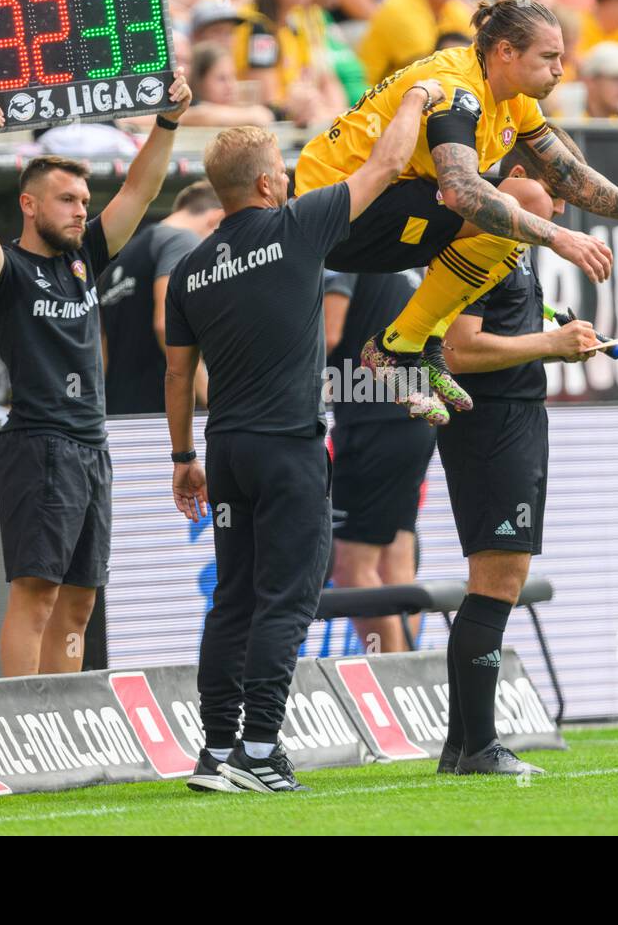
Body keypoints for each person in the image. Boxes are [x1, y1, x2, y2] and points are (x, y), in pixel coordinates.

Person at [164, 77, 445, 794]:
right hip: (288, 447)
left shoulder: (192, 269)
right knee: (286, 598)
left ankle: (216, 749)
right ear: (266, 183)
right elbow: (382, 167)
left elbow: (176, 378)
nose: (290, 179)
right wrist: (413, 101)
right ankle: (260, 750)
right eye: (282, 172)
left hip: (224, 449)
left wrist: (183, 458)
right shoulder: (299, 226)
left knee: (233, 597)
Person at [296, 0, 618, 425]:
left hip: (384, 207)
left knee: (531, 199)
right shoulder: (456, 87)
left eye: (562, 57)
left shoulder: (513, 97)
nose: (560, 69)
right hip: (334, 214)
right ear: (505, 52)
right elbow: (462, 192)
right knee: (510, 204)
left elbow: (566, 172)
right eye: (549, 57)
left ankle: (418, 340)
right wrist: (558, 238)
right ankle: (397, 347)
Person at [0, 72, 193, 678]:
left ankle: (62, 717)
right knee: (36, 596)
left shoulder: (85, 256)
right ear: (30, 205)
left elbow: (140, 192)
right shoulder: (4, 270)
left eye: (85, 202)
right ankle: (20, 727)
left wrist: (167, 121)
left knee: (81, 602)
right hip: (39, 444)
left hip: (92, 444)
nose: (81, 210)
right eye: (68, 200)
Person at [437, 127, 605, 775]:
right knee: (495, 582)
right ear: (509, 175)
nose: (561, 208)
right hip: (491, 421)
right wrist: (549, 347)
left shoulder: (516, 240)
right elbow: (458, 346)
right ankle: (478, 746)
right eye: (555, 190)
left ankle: (463, 746)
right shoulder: (487, 234)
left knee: (497, 582)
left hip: (510, 416)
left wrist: (550, 334)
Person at [323, 267, 435, 653]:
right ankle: (410, 679)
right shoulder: (401, 254)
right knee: (395, 564)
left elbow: (327, 335)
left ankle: (392, 677)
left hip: (375, 422)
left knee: (351, 567)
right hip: (410, 417)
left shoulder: (342, 247)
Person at [100, 179, 223, 416]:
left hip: (117, 411)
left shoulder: (126, 253)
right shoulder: (182, 241)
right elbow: (166, 324)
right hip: (160, 413)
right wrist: (211, 398)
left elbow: (102, 344)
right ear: (216, 218)